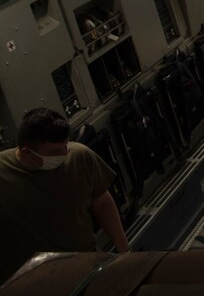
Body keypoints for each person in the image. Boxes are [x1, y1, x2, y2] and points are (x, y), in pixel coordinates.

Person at [0, 108, 130, 281]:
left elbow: (101, 201)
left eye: (65, 146)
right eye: (55, 152)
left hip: (85, 266)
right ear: (26, 152)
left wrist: (125, 252)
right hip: (28, 282)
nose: (64, 154)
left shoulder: (79, 156)